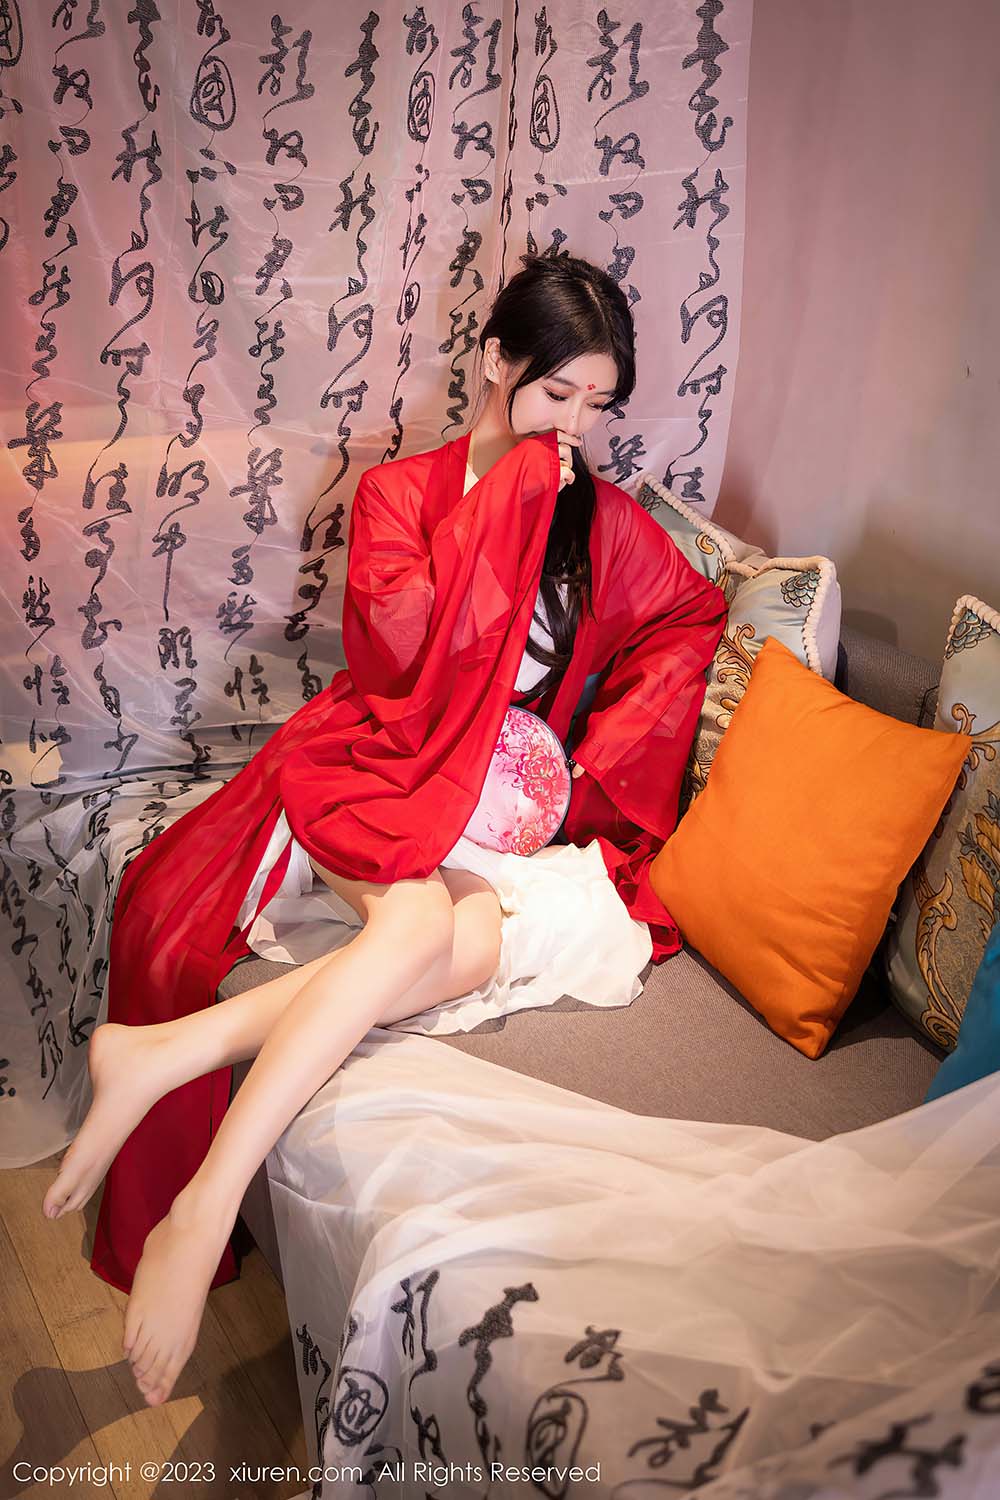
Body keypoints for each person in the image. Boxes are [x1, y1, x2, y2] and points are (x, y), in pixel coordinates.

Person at [41, 251, 728, 1406]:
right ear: (496, 363)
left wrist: (585, 766)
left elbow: (688, 613)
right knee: (410, 927)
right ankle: (204, 1200)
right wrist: (507, 495)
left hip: (492, 801)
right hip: (383, 761)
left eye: (598, 404)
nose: (574, 427)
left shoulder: (598, 523)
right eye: (556, 392)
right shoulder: (403, 494)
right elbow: (400, 654)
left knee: (452, 938)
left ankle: (163, 1059)